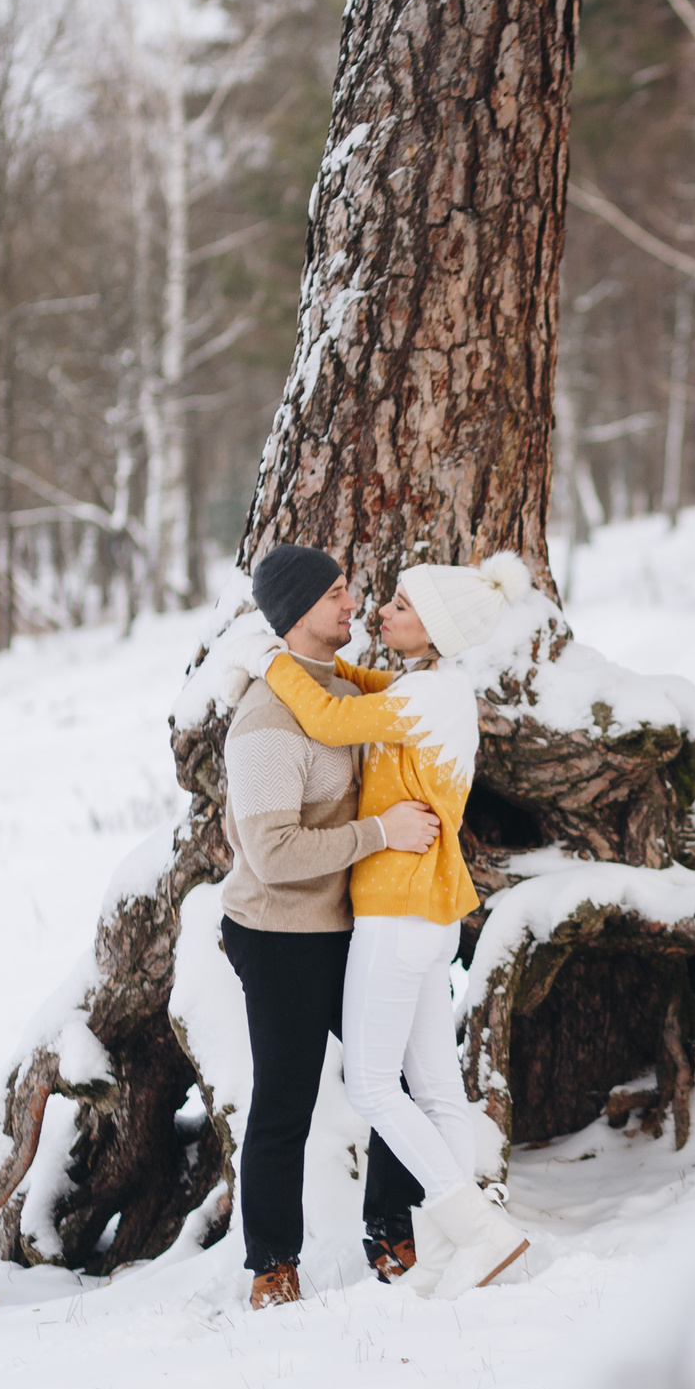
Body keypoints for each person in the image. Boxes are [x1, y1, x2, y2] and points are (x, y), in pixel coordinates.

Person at [253, 553, 535, 1295]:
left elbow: (329, 714)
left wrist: (268, 660)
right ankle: (447, 1251)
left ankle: (478, 1228)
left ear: (433, 627)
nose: (381, 611)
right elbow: (370, 690)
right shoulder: (431, 690)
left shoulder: (430, 698)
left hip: (398, 911)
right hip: (425, 916)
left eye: (402, 607)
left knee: (375, 1086)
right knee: (437, 1089)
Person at [208, 546, 442, 1310]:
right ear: (298, 608)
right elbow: (272, 855)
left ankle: (390, 1233)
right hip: (278, 935)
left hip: (344, 928)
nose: (353, 605)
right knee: (285, 1101)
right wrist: (381, 834)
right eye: (337, 593)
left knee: (393, 1075)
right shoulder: (268, 718)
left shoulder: (337, 689)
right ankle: (271, 1265)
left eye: (350, 591)